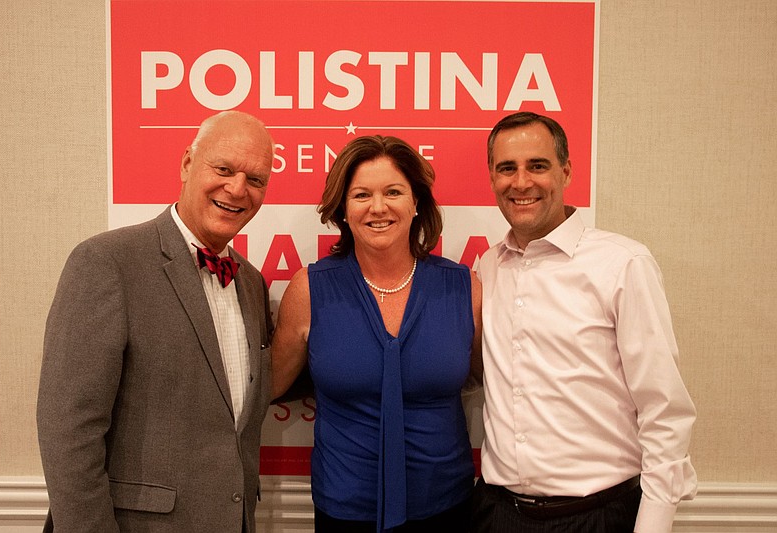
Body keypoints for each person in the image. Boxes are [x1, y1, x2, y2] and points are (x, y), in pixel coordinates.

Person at [37, 111, 275, 532]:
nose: (237, 189)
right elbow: (69, 432)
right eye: (223, 168)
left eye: (255, 180)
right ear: (187, 163)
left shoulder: (251, 282)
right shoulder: (106, 262)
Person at [471, 111, 697, 533]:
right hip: (496, 514)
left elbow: (663, 407)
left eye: (537, 165)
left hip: (599, 516)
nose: (521, 182)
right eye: (507, 168)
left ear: (566, 171)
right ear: (492, 178)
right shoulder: (488, 268)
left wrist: (654, 524)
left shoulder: (622, 264)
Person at [272, 135, 482, 532]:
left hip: (446, 504)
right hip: (344, 508)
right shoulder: (310, 289)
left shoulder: (463, 288)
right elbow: (271, 383)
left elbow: (485, 377)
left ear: (416, 202)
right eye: (361, 195)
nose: (378, 207)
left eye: (393, 192)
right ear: (343, 209)